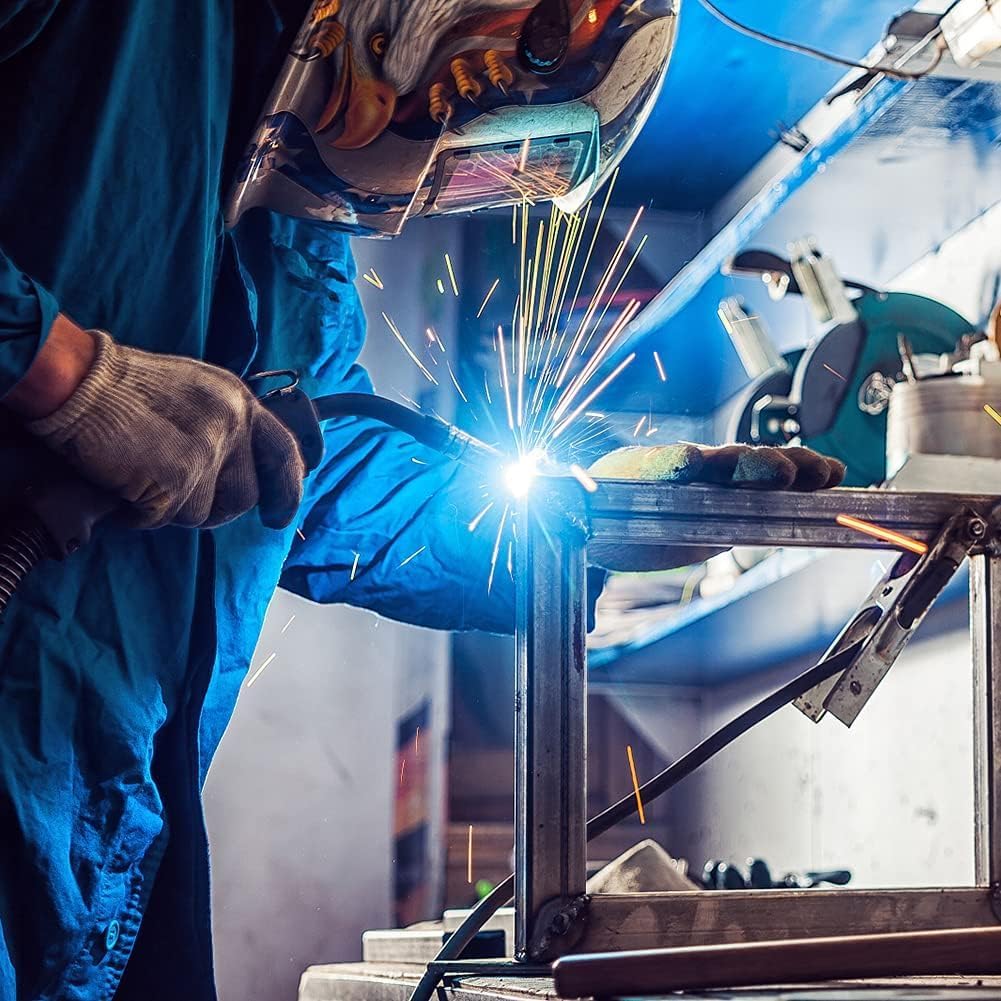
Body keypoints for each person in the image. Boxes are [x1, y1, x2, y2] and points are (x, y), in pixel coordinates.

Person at [0, 3, 841, 998]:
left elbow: (308, 467)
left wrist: (578, 533)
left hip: (94, 815)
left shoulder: (285, 180)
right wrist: (60, 372)